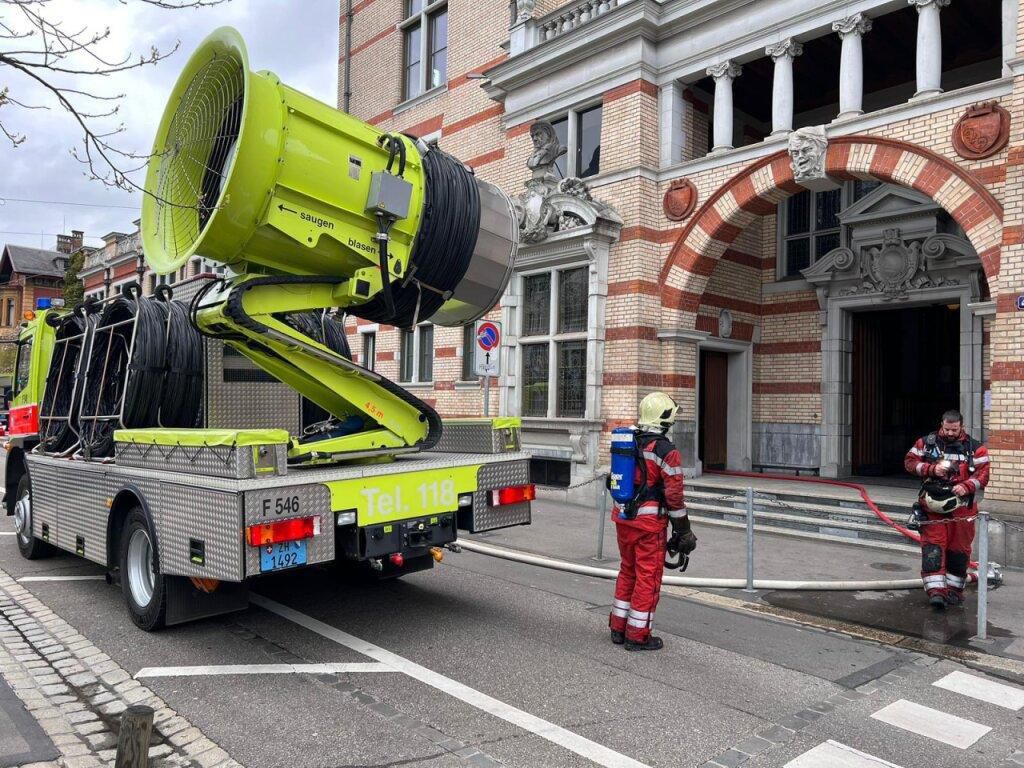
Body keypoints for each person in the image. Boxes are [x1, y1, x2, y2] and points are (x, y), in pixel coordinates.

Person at [608, 392, 697, 651]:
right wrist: (684, 531)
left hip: (624, 518)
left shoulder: (629, 442)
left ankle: (618, 627)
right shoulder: (666, 450)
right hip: (649, 525)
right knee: (648, 576)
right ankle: (638, 635)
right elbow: (674, 496)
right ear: (665, 419)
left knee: (628, 570)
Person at [904, 410, 990, 609]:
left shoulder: (975, 449)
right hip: (933, 507)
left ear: (962, 427)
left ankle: (954, 591)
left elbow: (983, 475)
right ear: (941, 424)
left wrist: (967, 486)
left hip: (963, 509)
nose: (950, 433)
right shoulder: (926, 443)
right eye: (947, 429)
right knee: (933, 548)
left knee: (959, 550)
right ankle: (936, 592)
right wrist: (931, 469)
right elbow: (909, 463)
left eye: (955, 429)